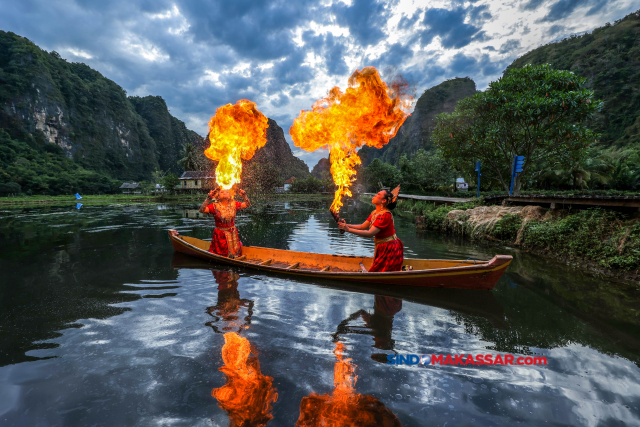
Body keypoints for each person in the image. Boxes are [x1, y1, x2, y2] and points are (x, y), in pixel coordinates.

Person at [338, 186, 403, 272]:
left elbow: (370, 233)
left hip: (389, 247)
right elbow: (363, 226)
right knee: (378, 271)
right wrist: (346, 225)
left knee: (380, 272)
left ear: (383, 201)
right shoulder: (375, 212)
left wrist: (348, 230)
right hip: (382, 246)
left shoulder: (384, 215)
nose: (375, 195)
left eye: (378, 194)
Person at [199, 187, 250, 257]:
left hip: (233, 233)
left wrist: (244, 195)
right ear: (218, 196)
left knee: (236, 254)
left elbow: (247, 204)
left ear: (230, 196)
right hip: (220, 234)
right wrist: (208, 198)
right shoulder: (214, 206)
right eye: (222, 192)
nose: (225, 193)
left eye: (227, 192)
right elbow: (202, 210)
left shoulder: (234, 204)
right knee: (221, 254)